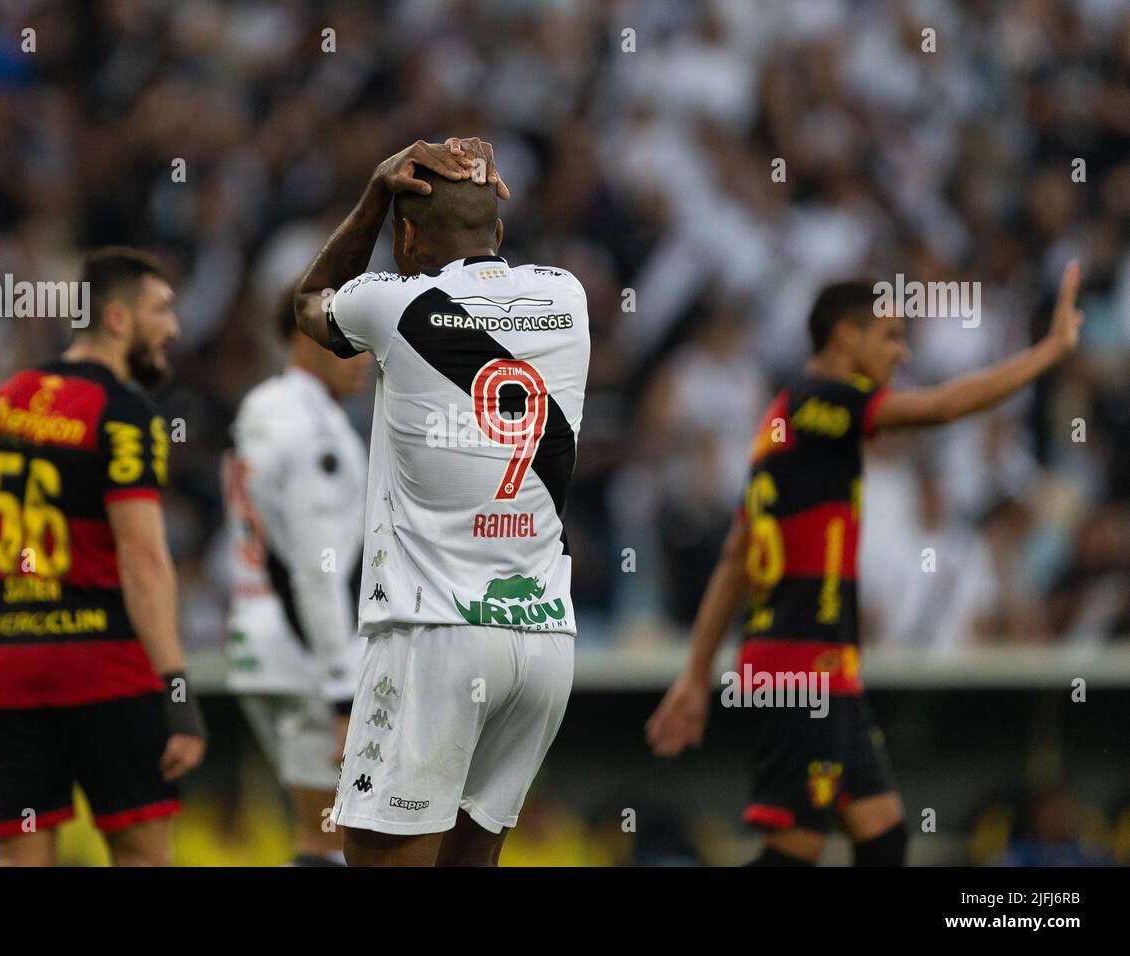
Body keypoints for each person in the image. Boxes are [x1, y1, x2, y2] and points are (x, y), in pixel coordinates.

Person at [647, 263, 1085, 866]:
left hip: (820, 666)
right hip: (801, 668)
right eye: (890, 336)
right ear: (846, 337)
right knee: (790, 857)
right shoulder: (825, 401)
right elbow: (943, 407)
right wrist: (1049, 351)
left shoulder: (779, 420)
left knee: (883, 841)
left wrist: (696, 675)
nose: (902, 352)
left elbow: (734, 558)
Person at [292, 138, 589, 866]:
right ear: (500, 227)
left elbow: (307, 306)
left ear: (405, 237)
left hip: (435, 633)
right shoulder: (568, 295)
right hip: (545, 639)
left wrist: (374, 189)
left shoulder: (391, 303)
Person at [0, 246, 206, 866]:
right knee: (140, 853)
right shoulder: (125, 413)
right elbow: (143, 559)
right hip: (102, 663)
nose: (173, 329)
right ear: (116, 319)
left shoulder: (6, 400)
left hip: (10, 660)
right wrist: (178, 693)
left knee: (19, 858)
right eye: (160, 311)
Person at [222, 289, 371, 865]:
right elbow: (317, 567)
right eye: (345, 339)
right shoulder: (318, 430)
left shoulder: (259, 406)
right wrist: (343, 693)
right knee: (334, 840)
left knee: (317, 832)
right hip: (309, 652)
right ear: (300, 334)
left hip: (255, 638)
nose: (360, 355)